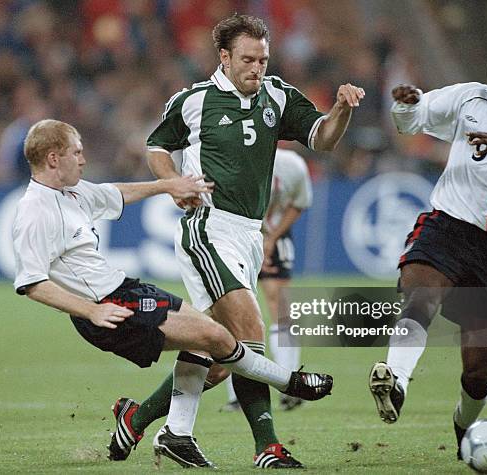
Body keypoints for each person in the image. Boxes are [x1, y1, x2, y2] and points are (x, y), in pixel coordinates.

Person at [11, 119, 334, 468]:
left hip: (125, 290)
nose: (84, 159)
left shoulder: (72, 192)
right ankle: (290, 383)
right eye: (77, 152)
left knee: (212, 353)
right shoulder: (34, 210)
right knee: (217, 337)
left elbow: (117, 193)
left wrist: (168, 184)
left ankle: (160, 427)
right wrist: (90, 311)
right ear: (54, 158)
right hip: (109, 307)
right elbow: (32, 282)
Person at [135, 14, 364, 469]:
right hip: (209, 226)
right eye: (247, 59)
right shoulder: (194, 100)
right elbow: (156, 146)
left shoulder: (277, 96)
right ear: (224, 56)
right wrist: (173, 183)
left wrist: (343, 109)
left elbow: (323, 140)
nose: (256, 68)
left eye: (262, 59)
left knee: (215, 351)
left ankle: (154, 425)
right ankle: (270, 439)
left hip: (249, 234)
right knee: (250, 332)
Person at [368, 41, 487, 459]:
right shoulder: (469, 97)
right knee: (420, 297)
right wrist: (404, 105)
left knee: (477, 374)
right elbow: (413, 120)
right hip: (446, 227)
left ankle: (465, 426)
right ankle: (396, 380)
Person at [223, 148, 313, 412]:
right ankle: (237, 395)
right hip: (236, 234)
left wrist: (272, 238)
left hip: (275, 234)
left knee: (279, 304)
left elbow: (299, 203)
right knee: (233, 309)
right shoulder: (235, 159)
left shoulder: (293, 166)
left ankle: (291, 385)